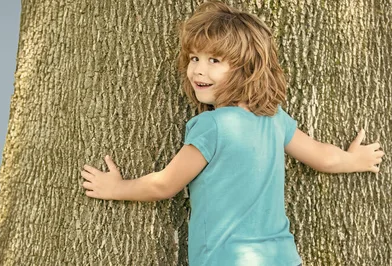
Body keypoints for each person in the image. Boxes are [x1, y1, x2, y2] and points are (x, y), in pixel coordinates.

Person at [79, 1, 385, 266]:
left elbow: (164, 185)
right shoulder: (273, 118)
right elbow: (324, 158)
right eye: (194, 58)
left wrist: (116, 188)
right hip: (282, 258)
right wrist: (355, 160)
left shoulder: (212, 126)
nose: (198, 70)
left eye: (214, 60)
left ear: (245, 69)